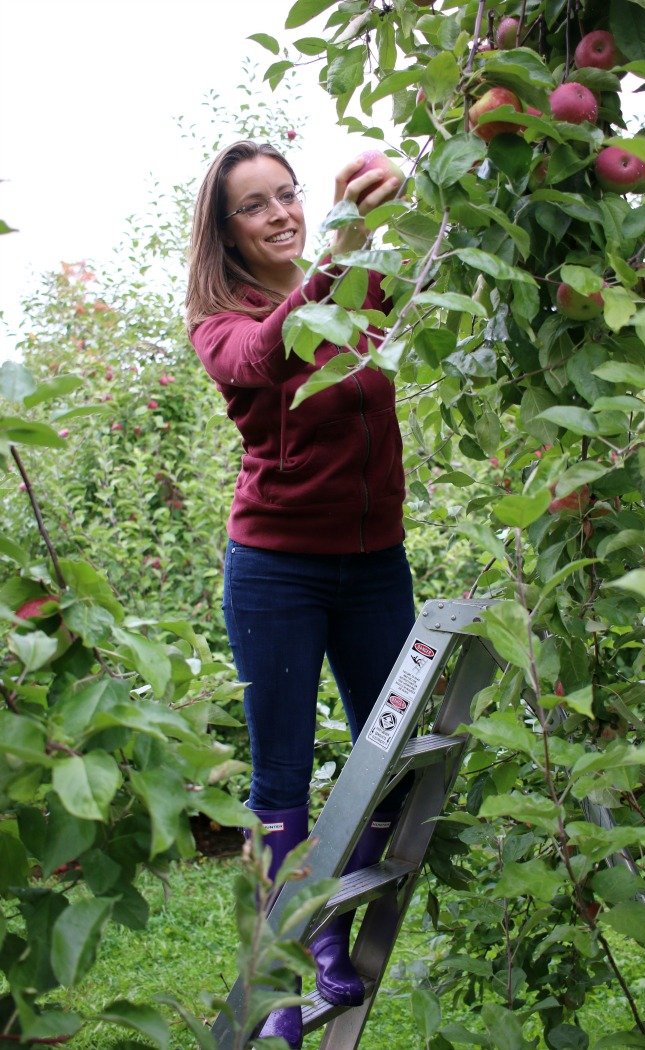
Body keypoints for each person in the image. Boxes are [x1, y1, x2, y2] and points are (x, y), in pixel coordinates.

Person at [185, 140, 416, 1048]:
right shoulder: (219, 321)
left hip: (374, 565)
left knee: (391, 766)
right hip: (276, 569)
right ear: (227, 232)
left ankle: (320, 918)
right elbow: (265, 357)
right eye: (257, 205)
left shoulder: (356, 285)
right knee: (279, 783)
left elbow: (424, 281)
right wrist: (339, 252)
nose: (283, 212)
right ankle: (279, 999)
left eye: (290, 194)